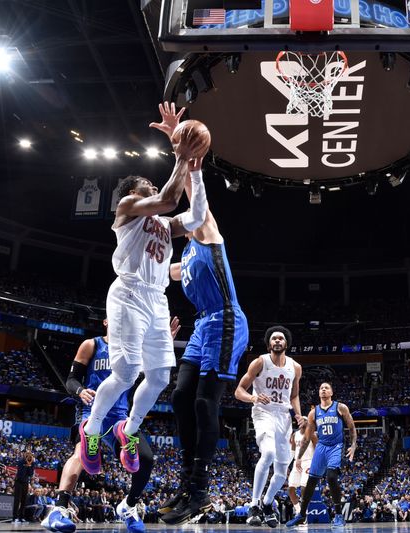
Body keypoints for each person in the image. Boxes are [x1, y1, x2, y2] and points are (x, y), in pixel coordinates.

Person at [79, 102, 209, 476]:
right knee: (126, 371)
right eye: (146, 186)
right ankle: (91, 430)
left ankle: (129, 430)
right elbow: (168, 197)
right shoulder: (128, 206)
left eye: (152, 185)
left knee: (159, 377)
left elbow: (197, 216)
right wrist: (180, 152)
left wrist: (194, 172)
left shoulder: (166, 226)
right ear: (134, 195)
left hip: (156, 299)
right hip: (128, 294)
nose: (152, 188)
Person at [160, 136, 249, 524]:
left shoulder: (207, 234)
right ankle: (186, 484)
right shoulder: (183, 257)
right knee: (180, 397)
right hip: (202, 326)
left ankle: (200, 489)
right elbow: (158, 273)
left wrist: (188, 159)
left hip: (227, 319)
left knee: (203, 401)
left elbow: (199, 205)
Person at [43, 317, 179, 533]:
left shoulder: (131, 350)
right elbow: (71, 380)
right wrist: (80, 390)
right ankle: (59, 509)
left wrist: (164, 346)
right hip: (90, 410)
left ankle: (129, 506)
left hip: (119, 417)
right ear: (106, 322)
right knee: (80, 454)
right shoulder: (92, 345)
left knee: (146, 459)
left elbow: (149, 371)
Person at [234, 327, 303, 527]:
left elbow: (294, 396)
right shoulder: (259, 362)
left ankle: (267, 503)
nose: (278, 341)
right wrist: (254, 397)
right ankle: (254, 504)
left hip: (283, 417)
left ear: (286, 344)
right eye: (274, 338)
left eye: (281, 338)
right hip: (263, 413)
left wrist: (298, 415)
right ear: (268, 344)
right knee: (269, 453)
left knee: (282, 470)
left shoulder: (295, 367)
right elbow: (239, 391)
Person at [286, 382, 357, 528]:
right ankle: (301, 515)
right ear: (319, 393)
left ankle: (338, 515)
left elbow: (351, 427)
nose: (323, 389)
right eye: (321, 388)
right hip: (321, 447)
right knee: (311, 482)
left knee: (331, 477)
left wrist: (353, 444)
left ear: (331, 392)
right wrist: (298, 457)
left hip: (335, 446)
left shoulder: (340, 407)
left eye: (326, 388)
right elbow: (307, 438)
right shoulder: (314, 413)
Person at [287, 422, 316, 518]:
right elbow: (292, 451)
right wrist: (287, 465)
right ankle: (298, 511)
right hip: (296, 463)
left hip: (308, 462)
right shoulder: (295, 434)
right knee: (290, 488)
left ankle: (304, 512)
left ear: (307, 423)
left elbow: (317, 450)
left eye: (304, 420)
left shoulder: (312, 434)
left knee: (304, 487)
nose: (301, 421)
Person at [13, 451, 35, 523]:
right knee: (17, 500)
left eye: (30, 455)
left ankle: (21, 517)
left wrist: (29, 465)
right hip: (18, 482)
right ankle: (15, 518)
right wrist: (27, 465)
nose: (29, 456)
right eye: (27, 454)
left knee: (23, 500)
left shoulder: (32, 463)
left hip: (25, 483)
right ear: (24, 455)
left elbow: (30, 474)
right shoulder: (21, 462)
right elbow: (20, 474)